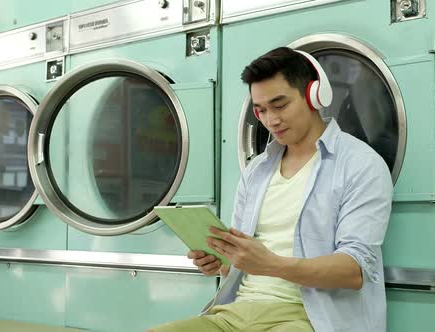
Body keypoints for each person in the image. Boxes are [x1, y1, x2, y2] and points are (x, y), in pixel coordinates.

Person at [148, 46, 393, 332]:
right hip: (234, 312)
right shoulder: (257, 170)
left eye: (280, 105)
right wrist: (221, 262)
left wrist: (271, 264)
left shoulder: (360, 165)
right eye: (261, 110)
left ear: (315, 96)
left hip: (307, 318)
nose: (270, 120)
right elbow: (242, 266)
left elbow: (355, 271)